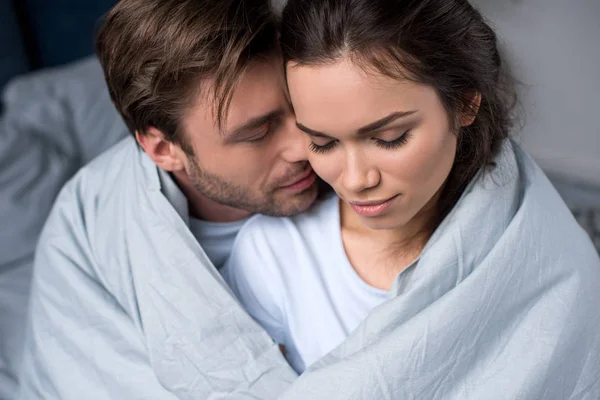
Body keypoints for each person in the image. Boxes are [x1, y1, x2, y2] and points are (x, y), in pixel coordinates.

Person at [223, 0, 600, 397]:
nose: (355, 180)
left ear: (464, 105)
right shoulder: (272, 254)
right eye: (322, 143)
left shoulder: (554, 266)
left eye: (390, 139)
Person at [16, 0, 316, 398]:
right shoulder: (91, 217)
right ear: (162, 149)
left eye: (299, 107)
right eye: (257, 133)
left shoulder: (351, 152)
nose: (304, 146)